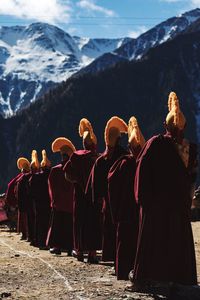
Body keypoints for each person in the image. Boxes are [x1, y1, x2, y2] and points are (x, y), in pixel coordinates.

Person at [130, 92, 197, 291]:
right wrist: (187, 201)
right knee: (178, 241)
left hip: (156, 207)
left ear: (165, 125)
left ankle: (152, 277)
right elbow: (192, 179)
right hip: (179, 207)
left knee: (156, 242)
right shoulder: (190, 149)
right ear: (183, 127)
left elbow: (141, 169)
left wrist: (142, 199)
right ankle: (180, 278)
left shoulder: (155, 143)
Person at [108, 117, 145, 280]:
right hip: (137, 209)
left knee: (125, 241)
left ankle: (122, 270)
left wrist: (114, 208)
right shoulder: (143, 162)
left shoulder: (123, 163)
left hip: (125, 208)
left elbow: (112, 183)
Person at [86, 116, 128, 263]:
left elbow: (94, 184)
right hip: (120, 200)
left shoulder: (100, 160)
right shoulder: (124, 156)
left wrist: (97, 199)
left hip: (105, 201)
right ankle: (118, 256)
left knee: (108, 229)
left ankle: (109, 255)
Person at [64, 118, 101, 263]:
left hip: (79, 196)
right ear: (94, 144)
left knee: (79, 222)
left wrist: (78, 182)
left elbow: (67, 174)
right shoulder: (97, 157)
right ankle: (92, 253)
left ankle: (79, 251)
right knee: (93, 223)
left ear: (84, 143)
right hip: (93, 196)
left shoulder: (76, 156)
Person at [46, 137, 75, 255]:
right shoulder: (74, 169)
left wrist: (53, 201)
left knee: (58, 226)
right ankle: (69, 247)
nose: (63, 157)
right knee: (68, 226)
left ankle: (57, 246)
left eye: (63, 156)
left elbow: (51, 188)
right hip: (70, 204)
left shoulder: (55, 170)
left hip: (59, 204)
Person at [29, 150, 51, 249]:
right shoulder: (50, 175)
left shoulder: (36, 177)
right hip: (48, 202)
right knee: (47, 222)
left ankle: (38, 241)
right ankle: (47, 242)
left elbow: (31, 192)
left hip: (38, 203)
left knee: (39, 222)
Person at [15, 157, 31, 240]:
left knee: (24, 218)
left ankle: (25, 234)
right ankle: (26, 234)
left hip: (22, 201)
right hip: (26, 200)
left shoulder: (21, 178)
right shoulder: (25, 177)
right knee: (26, 218)